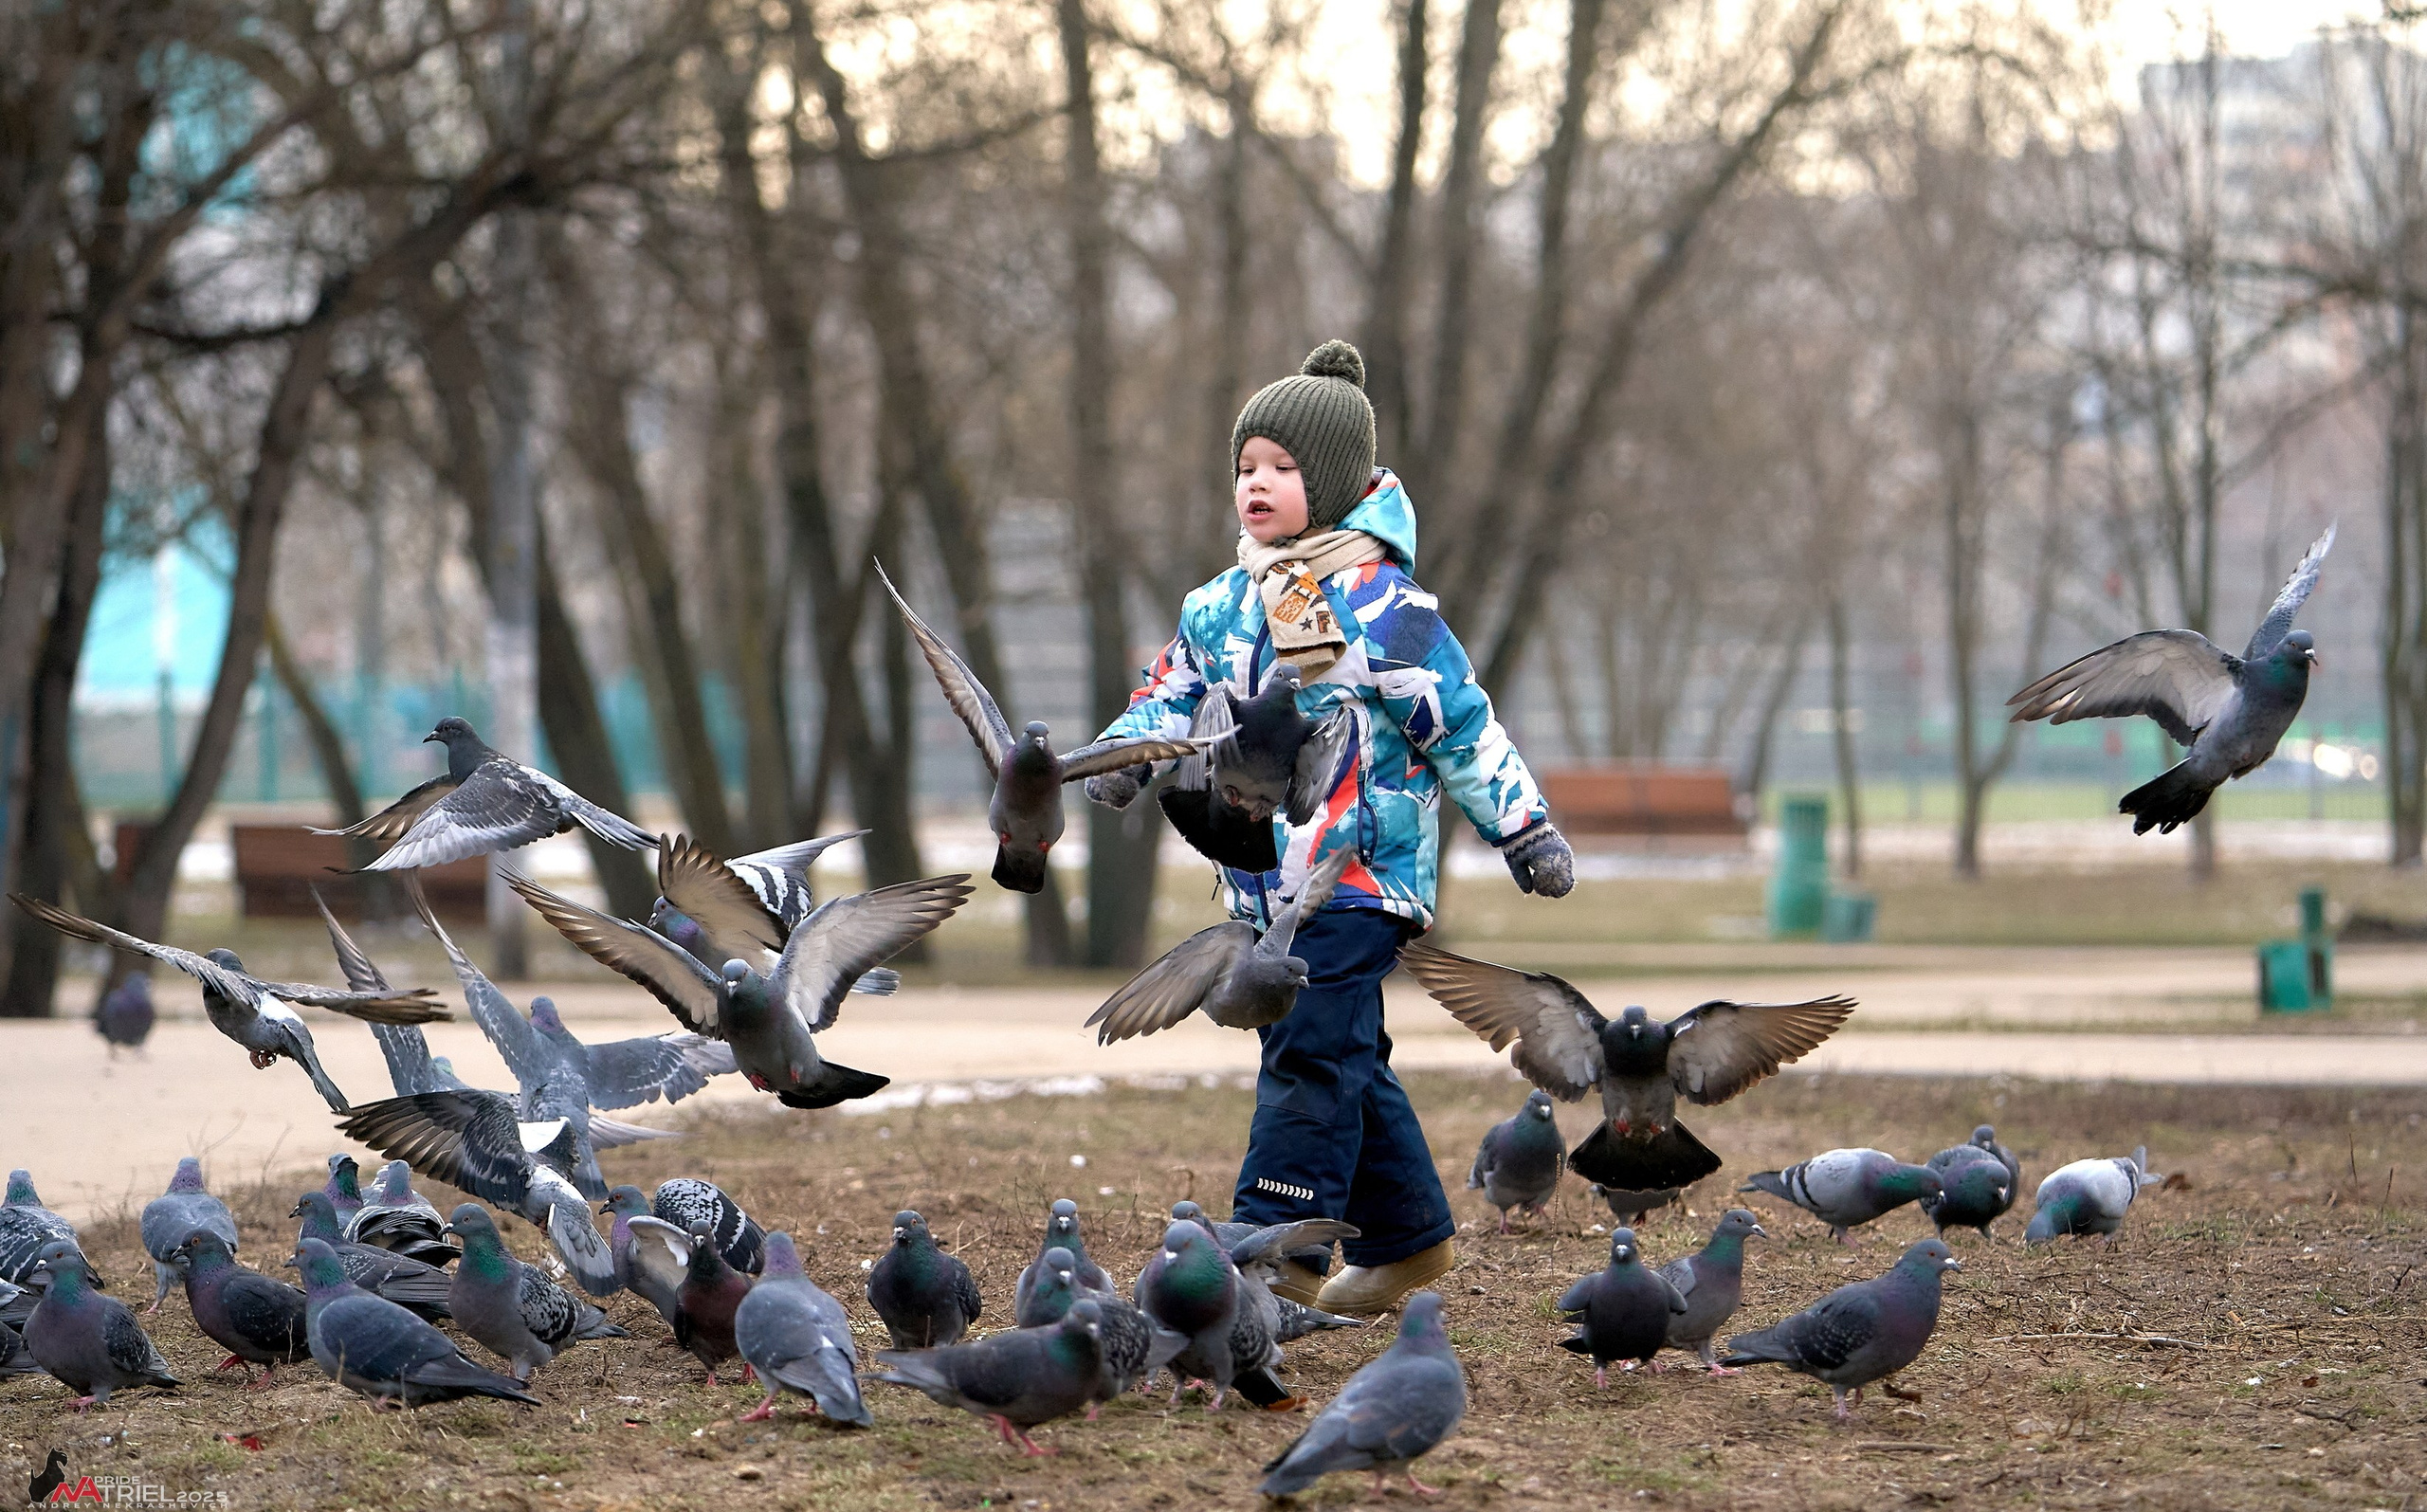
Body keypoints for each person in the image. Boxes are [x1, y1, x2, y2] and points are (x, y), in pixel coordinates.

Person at [1084, 338, 1573, 1316]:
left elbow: (1459, 722)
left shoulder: (1383, 605)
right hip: (1265, 875)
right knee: (1344, 1051)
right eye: (1245, 468)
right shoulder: (1217, 604)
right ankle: (1407, 1241)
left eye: (1282, 467)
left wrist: (1522, 827)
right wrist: (1120, 759)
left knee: (1307, 1042)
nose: (1255, 485)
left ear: (1340, 484)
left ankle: (1278, 1248)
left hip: (1357, 876)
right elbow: (1167, 696)